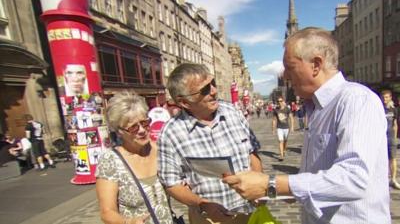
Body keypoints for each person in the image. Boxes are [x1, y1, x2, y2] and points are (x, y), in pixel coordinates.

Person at [223, 27, 390, 223]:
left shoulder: (356, 99)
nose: (285, 75)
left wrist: (273, 184)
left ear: (316, 65)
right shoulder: (316, 107)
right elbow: (319, 177)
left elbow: (353, 178)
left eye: (290, 67)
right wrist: (279, 191)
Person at [158, 63, 262, 224]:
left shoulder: (233, 112)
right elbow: (171, 183)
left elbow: (252, 152)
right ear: (184, 102)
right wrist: (203, 205)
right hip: (209, 219)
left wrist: (260, 186)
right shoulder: (170, 133)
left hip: (252, 212)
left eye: (212, 83)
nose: (214, 91)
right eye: (205, 89)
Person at [96, 91, 173, 224]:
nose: (142, 130)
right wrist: (128, 222)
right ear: (119, 131)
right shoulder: (110, 160)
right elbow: (107, 212)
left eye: (144, 123)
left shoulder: (162, 150)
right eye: (133, 128)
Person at [381, 90, 400, 189]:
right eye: (383, 97)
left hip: (391, 137)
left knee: (393, 158)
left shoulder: (394, 110)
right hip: (382, 138)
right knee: (383, 159)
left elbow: (395, 124)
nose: (385, 100)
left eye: (387, 97)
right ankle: (384, 180)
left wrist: (395, 137)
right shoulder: (379, 109)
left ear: (390, 98)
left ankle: (393, 179)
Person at [272, 96, 294, 161]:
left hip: (286, 127)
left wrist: (292, 126)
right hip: (279, 127)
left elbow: (291, 118)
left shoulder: (287, 109)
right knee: (280, 141)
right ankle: (281, 155)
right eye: (278, 101)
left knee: (285, 141)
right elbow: (274, 120)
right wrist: (273, 129)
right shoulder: (276, 110)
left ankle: (284, 150)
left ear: (283, 101)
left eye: (281, 101)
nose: (280, 102)